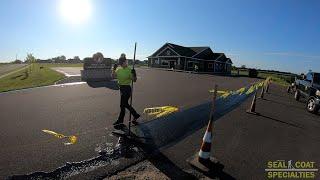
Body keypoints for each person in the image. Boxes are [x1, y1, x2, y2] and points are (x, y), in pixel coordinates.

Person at [111, 53, 140, 129]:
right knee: (124, 105)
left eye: (126, 62)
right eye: (125, 62)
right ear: (121, 63)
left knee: (122, 105)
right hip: (121, 89)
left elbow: (134, 80)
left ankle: (120, 121)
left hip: (127, 89)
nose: (126, 63)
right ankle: (135, 115)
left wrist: (134, 74)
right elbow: (113, 76)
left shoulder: (129, 70)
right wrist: (114, 69)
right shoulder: (118, 69)